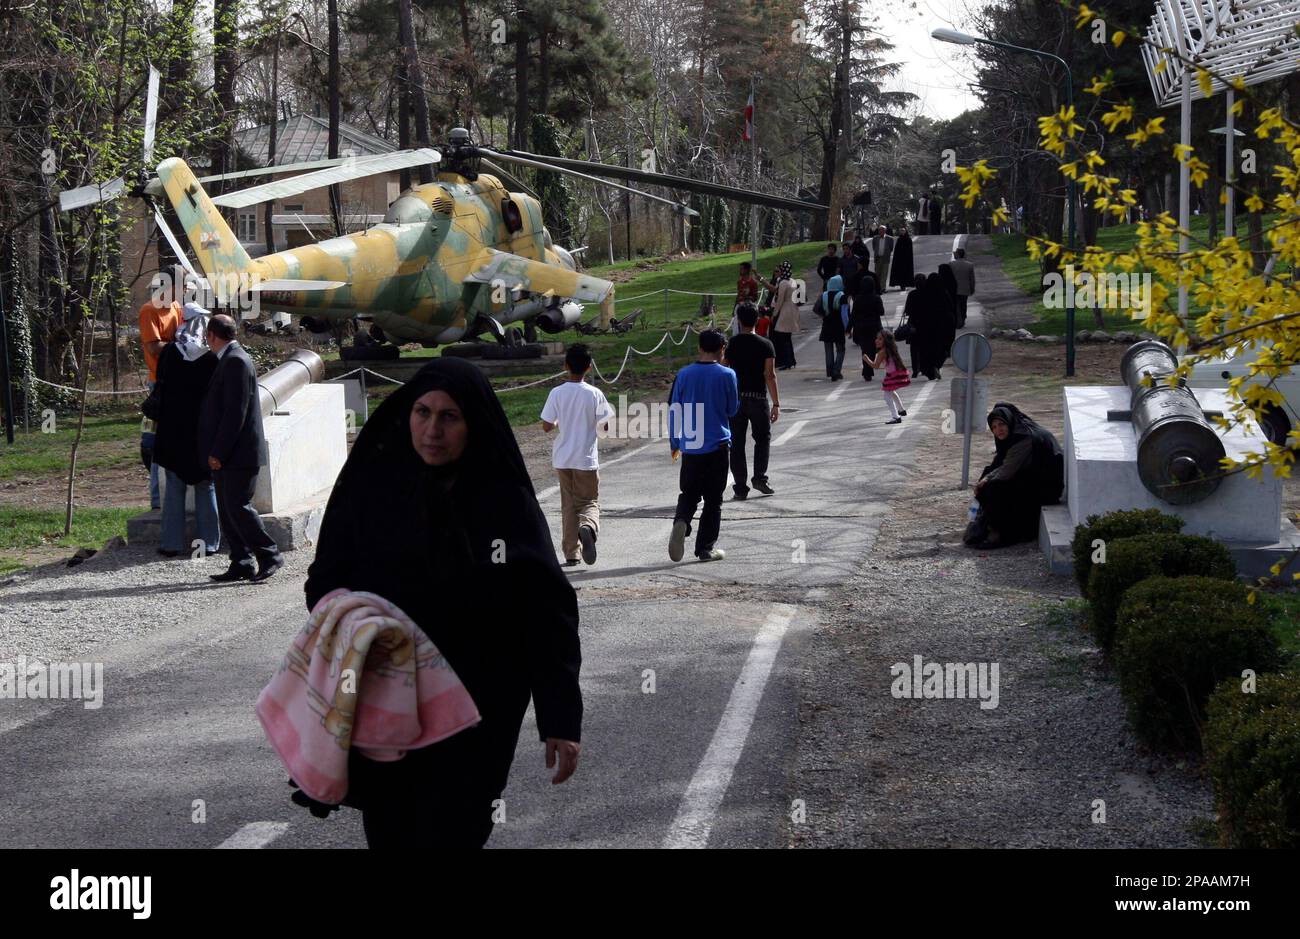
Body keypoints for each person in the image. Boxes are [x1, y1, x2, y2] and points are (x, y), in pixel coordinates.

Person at [303, 357, 582, 848]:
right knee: (392, 832)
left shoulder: (502, 502)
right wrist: (357, 623)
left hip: (478, 712)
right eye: (422, 413)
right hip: (386, 701)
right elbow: (324, 582)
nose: (432, 430)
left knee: (455, 831)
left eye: (450, 417)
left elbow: (547, 613)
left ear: (473, 423)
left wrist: (559, 719)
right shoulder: (374, 489)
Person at [198, 314, 283, 583]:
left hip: (238, 453)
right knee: (227, 508)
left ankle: (269, 554)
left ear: (211, 335)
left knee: (238, 507)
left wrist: (218, 452)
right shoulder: (230, 358)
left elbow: (236, 413)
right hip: (231, 453)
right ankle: (241, 561)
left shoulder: (235, 361)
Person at [153, 302, 220, 558]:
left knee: (174, 486)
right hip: (202, 431)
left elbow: (160, 384)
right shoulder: (212, 357)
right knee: (206, 485)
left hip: (172, 430)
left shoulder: (170, 352)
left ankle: (171, 542)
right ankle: (209, 543)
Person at [540, 344, 614, 567]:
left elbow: (546, 425)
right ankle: (588, 526)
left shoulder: (556, 393)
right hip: (585, 459)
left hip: (563, 458)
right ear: (589, 368)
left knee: (568, 505)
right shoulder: (595, 394)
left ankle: (572, 552)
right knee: (589, 501)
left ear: (565, 366)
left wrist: (558, 421)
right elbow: (604, 428)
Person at [667, 329, 738, 562]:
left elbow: (674, 410)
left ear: (699, 348)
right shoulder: (727, 375)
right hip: (717, 444)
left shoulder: (684, 374)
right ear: (722, 350)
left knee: (689, 493)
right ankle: (705, 548)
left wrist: (675, 442)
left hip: (691, 444)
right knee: (713, 500)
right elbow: (731, 410)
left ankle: (682, 521)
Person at [966, 403, 1065, 549]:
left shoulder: (1023, 438)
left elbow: (1006, 472)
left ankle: (1004, 534)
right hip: (1035, 478)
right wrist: (986, 477)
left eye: (1001, 424)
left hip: (1046, 489)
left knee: (993, 488)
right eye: (994, 427)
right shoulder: (1017, 431)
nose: (998, 430)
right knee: (989, 473)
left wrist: (986, 481)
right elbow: (1003, 463)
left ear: (1009, 421)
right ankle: (983, 522)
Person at [722, 304, 779, 500]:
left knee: (736, 444)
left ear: (739, 321)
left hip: (737, 400)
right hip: (758, 398)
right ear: (757, 320)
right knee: (762, 439)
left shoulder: (732, 344)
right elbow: (769, 375)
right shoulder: (766, 345)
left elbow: (724, 370)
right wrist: (776, 403)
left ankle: (740, 487)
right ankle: (760, 478)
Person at [138, 274, 184, 510]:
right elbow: (154, 348)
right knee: (155, 442)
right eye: (182, 286)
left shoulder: (176, 306)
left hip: (178, 381)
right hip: (159, 384)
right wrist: (182, 345)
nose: (185, 291)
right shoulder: (149, 310)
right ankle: (158, 500)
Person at [866, 330, 910, 424]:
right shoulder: (890, 348)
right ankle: (901, 410)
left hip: (892, 376)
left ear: (886, 341)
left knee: (887, 396)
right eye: (877, 338)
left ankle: (896, 416)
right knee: (891, 392)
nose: (877, 340)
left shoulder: (882, 352)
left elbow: (875, 366)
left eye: (880, 339)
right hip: (896, 374)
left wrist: (866, 359)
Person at [849, 275, 885, 382]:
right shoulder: (876, 298)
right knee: (875, 348)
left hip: (862, 327)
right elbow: (881, 312)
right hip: (875, 327)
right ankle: (870, 368)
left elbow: (853, 315)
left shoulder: (858, 299)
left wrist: (848, 328)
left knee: (865, 349)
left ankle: (867, 371)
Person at [818, 273, 850, 381]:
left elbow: (815, 309)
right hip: (838, 326)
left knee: (828, 350)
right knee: (840, 349)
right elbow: (844, 314)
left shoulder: (824, 295)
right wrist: (848, 328)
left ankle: (830, 371)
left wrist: (824, 315)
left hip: (826, 325)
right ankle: (837, 371)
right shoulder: (842, 296)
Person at [769, 261, 800, 370]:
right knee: (788, 337)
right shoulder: (792, 281)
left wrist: (774, 314)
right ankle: (791, 360)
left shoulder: (783, 283)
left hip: (785, 310)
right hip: (793, 308)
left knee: (783, 338)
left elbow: (780, 300)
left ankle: (787, 361)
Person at [929, 271, 958, 371]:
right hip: (946, 321)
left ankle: (933, 364)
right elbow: (951, 306)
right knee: (945, 345)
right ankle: (938, 364)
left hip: (933, 323)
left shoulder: (927, 294)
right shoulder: (944, 292)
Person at [949, 247, 976, 326]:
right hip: (965, 289)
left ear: (957, 254)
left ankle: (957, 320)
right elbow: (972, 279)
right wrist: (972, 288)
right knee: (963, 304)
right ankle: (963, 318)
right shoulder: (969, 265)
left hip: (954, 289)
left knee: (955, 305)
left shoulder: (951, 264)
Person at [868, 226, 895, 293]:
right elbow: (874, 247)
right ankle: (878, 287)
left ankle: (883, 288)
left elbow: (891, 248)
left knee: (884, 273)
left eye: (882, 230)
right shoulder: (875, 238)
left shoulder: (890, 238)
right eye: (879, 230)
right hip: (878, 258)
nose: (880, 231)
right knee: (877, 273)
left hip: (885, 258)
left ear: (885, 231)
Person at [889, 228, 914, 292]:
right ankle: (901, 285)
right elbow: (896, 251)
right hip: (899, 260)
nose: (902, 232)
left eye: (903, 231)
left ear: (905, 232)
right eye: (901, 231)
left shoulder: (908, 239)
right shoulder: (899, 239)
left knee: (906, 273)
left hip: (906, 260)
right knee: (900, 273)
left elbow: (910, 251)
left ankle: (905, 285)